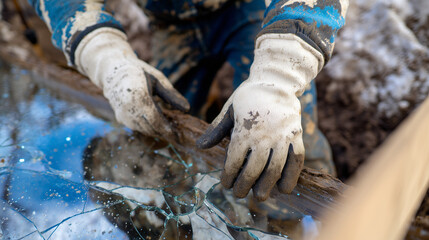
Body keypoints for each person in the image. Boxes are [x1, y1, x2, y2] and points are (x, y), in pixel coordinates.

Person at [28, 0, 348, 201]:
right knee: (158, 127)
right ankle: (189, 209)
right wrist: (104, 55)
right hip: (170, 18)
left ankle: (297, 223)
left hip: (255, 10)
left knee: (281, 135)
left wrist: (279, 74)